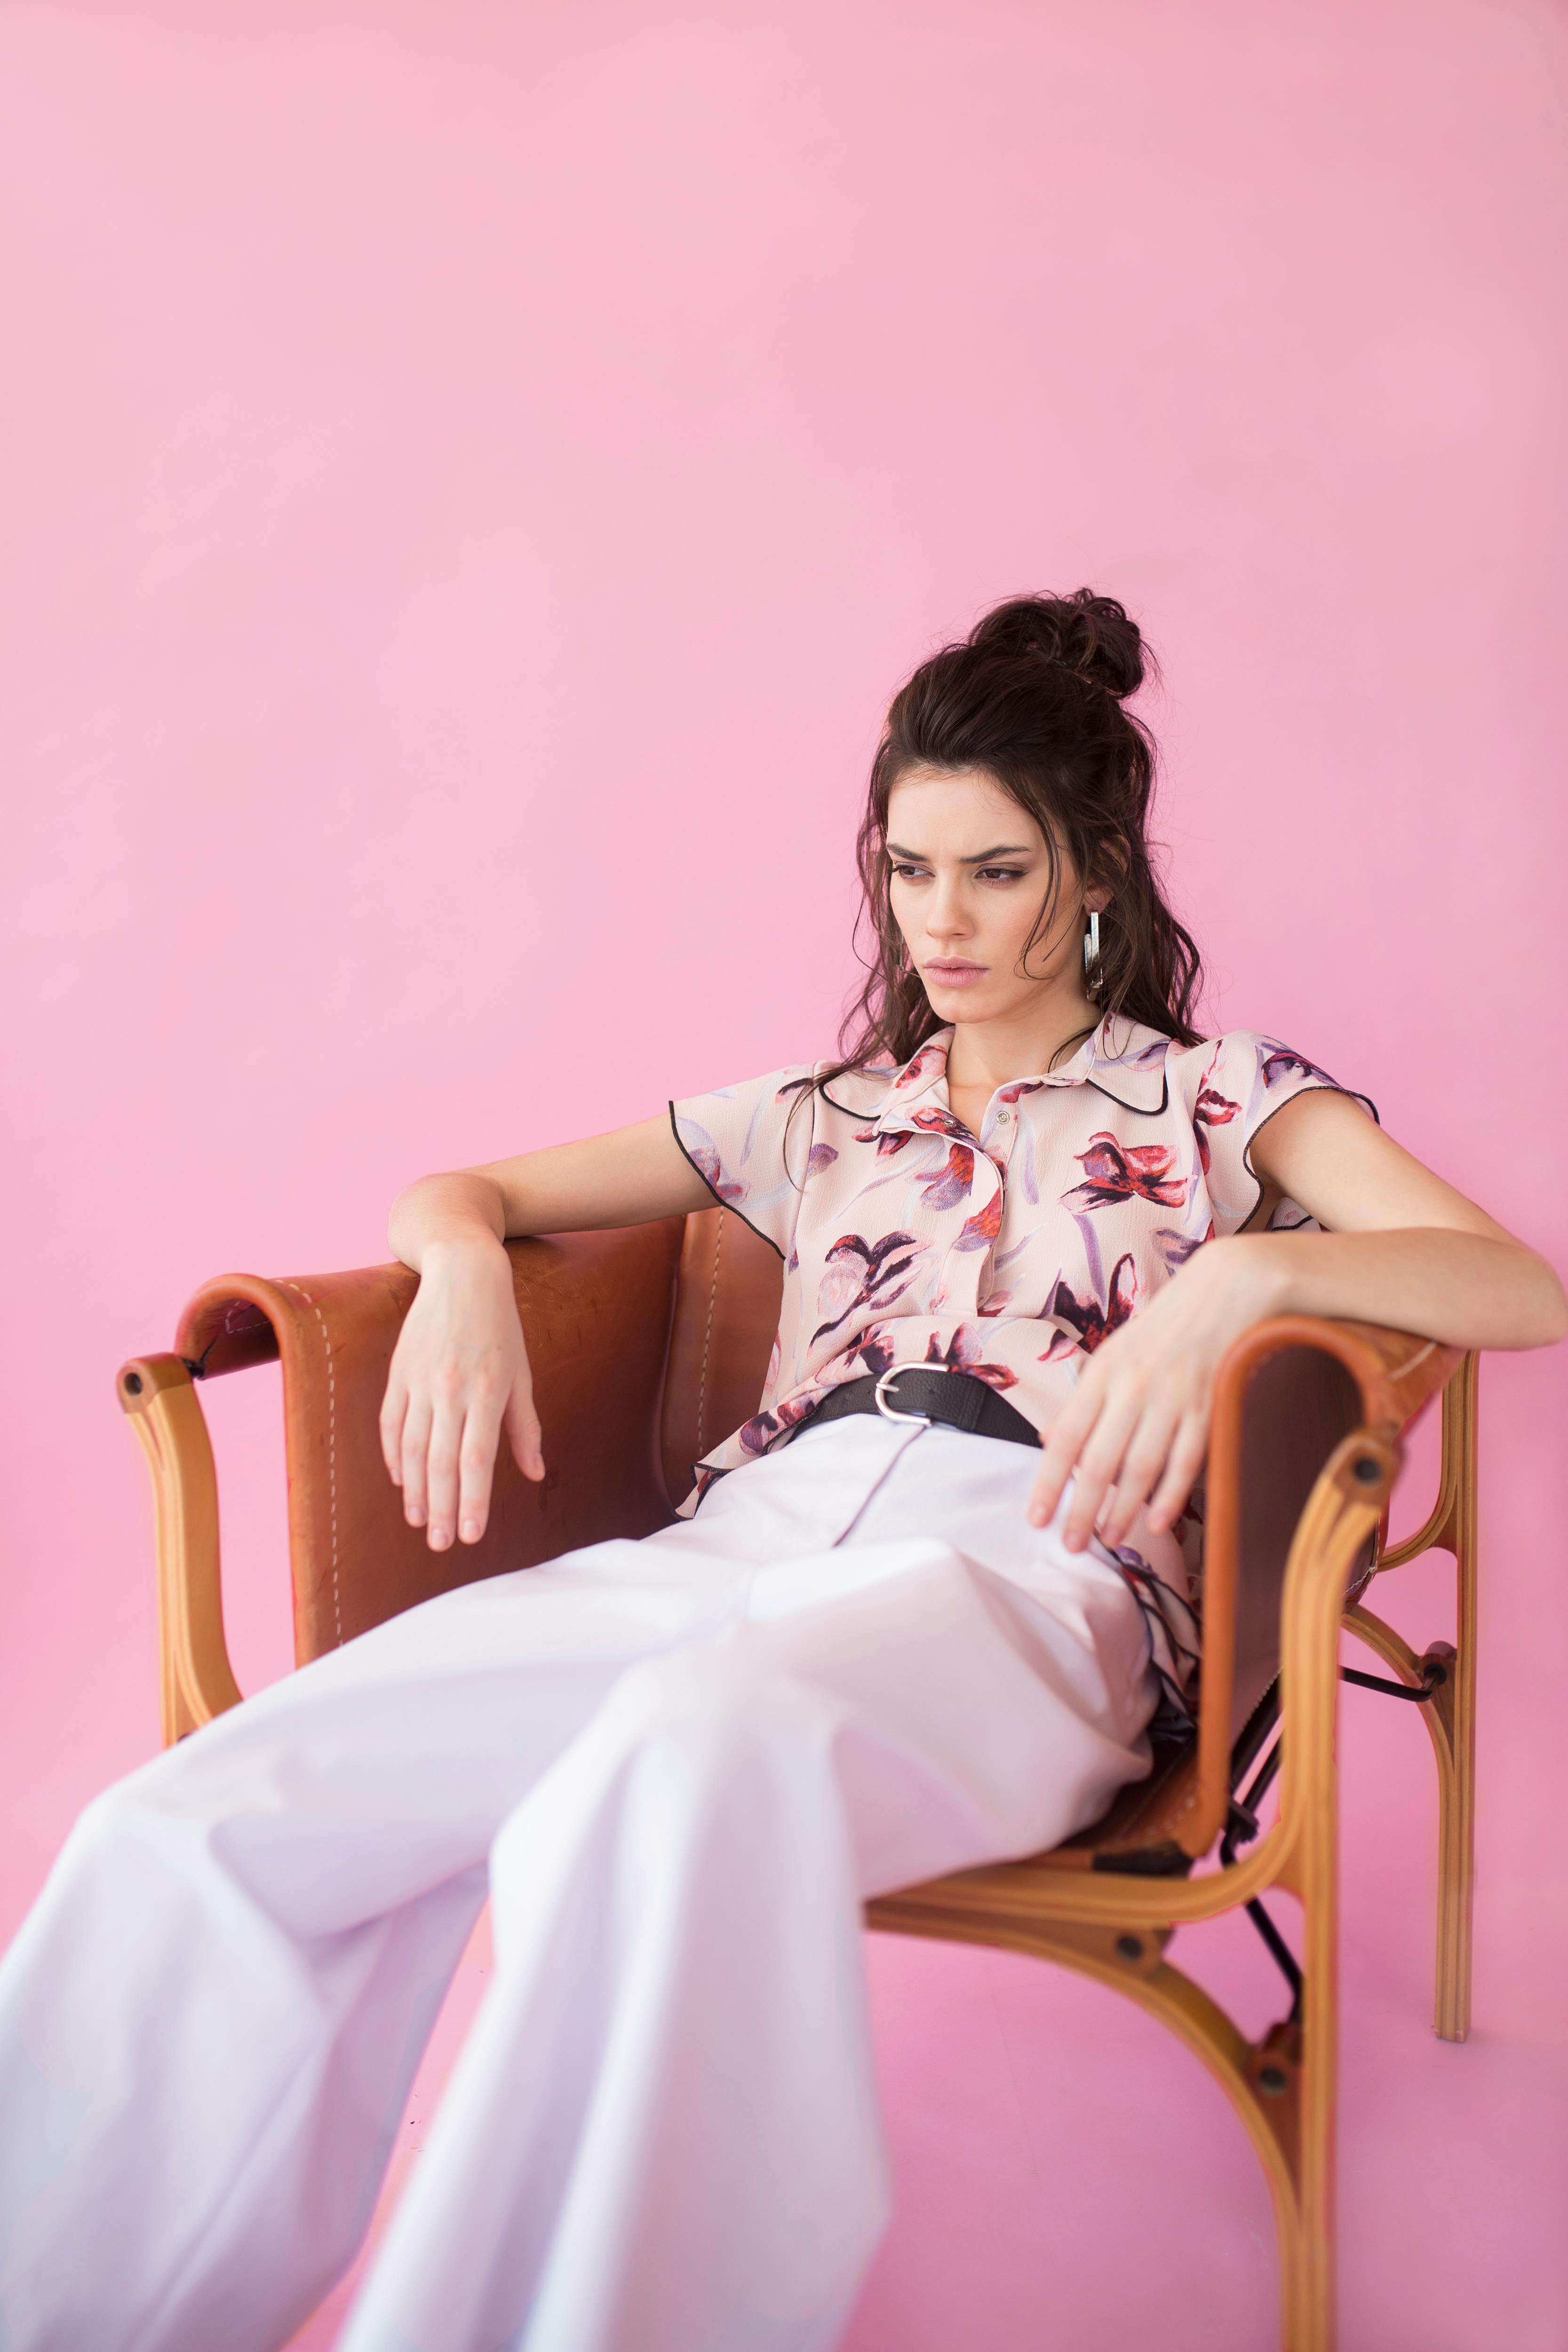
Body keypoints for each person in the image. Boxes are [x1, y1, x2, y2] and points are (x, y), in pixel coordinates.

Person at [0, 594, 1561, 2352]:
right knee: (210, 1813)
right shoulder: (823, 1112)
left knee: (687, 1759)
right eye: (910, 870)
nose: (942, 922)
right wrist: (451, 1279)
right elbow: (470, 1191)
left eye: (995, 871)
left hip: (1033, 1558)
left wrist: (1252, 1269)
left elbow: (1517, 1284)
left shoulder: (1221, 1101)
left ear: (1098, 872)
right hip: (741, 1535)